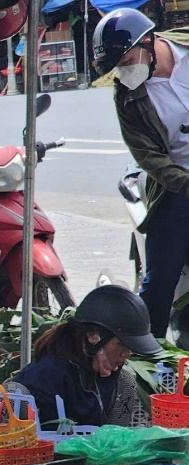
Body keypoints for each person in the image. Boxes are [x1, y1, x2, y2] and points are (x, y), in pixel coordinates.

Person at [8, 285, 158, 465]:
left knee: (126, 382)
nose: (126, 355)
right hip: (41, 464)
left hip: (85, 460)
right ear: (93, 337)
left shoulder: (110, 374)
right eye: (122, 346)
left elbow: (109, 432)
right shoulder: (47, 375)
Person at [94, 9, 189, 343]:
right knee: (161, 277)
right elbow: (149, 157)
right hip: (176, 186)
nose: (124, 71)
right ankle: (152, 353)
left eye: (128, 59)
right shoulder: (128, 96)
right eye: (117, 66)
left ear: (148, 41)